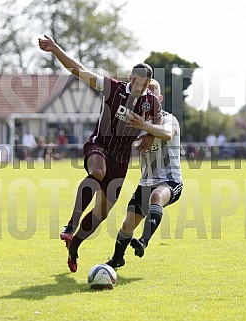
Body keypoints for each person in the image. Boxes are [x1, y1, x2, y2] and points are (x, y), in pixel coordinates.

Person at [38, 34, 162, 272]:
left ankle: (74, 245)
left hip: (122, 159)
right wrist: (55, 49)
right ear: (131, 78)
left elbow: (158, 125)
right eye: (141, 83)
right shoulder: (112, 87)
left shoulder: (150, 102)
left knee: (101, 213)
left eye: (148, 85)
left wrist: (149, 134)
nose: (144, 88)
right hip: (99, 146)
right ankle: (70, 225)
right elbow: (79, 70)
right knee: (97, 171)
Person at [105, 79, 183, 268]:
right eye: (144, 93)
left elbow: (167, 134)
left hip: (170, 181)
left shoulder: (168, 119)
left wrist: (145, 128)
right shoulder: (136, 121)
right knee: (126, 225)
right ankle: (117, 259)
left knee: (157, 197)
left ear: (160, 98)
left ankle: (143, 241)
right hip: (145, 182)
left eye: (152, 93)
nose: (148, 97)